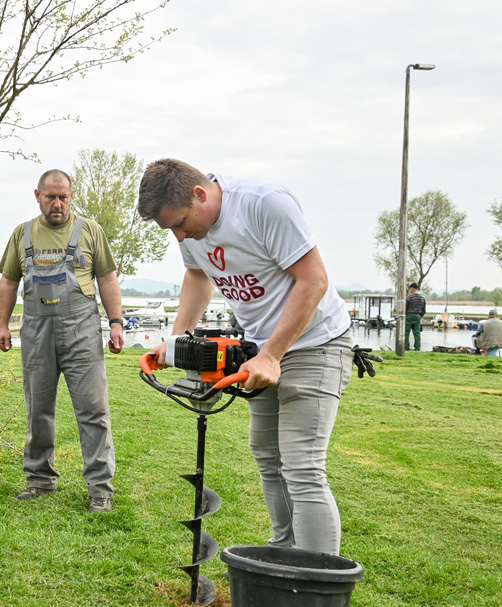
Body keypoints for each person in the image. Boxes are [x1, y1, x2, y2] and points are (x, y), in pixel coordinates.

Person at [137, 159, 354, 555]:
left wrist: (273, 355)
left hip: (315, 342)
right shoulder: (189, 232)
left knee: (302, 466)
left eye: (181, 224)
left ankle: (318, 581)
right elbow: (198, 276)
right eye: (171, 230)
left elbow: (314, 280)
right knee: (268, 457)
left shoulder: (264, 204)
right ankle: (283, 555)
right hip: (258, 351)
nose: (181, 237)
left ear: (200, 194)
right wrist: (177, 343)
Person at [0, 169, 126, 514]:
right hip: (36, 333)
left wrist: (115, 322)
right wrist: (2, 326)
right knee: (38, 409)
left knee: (93, 411)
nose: (57, 204)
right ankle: (39, 479)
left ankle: (100, 488)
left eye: (63, 197)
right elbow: (9, 282)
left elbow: (107, 278)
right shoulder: (22, 234)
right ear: (36, 195)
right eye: (50, 196)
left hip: (82, 332)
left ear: (71, 196)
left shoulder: (89, 230)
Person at [405, 282, 425, 351]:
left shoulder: (408, 297)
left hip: (409, 316)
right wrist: (419, 316)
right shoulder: (422, 298)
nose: (410, 290)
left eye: (410, 288)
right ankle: (417, 348)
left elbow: (405, 308)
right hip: (417, 316)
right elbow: (424, 310)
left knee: (406, 332)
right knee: (417, 333)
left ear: (413, 288)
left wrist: (406, 315)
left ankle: (406, 348)